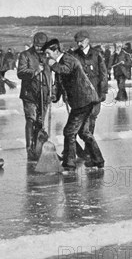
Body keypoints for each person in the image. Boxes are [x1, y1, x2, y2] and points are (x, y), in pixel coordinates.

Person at [45, 38, 104, 170]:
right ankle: (98, 160)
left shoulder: (68, 59)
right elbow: (60, 83)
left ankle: (69, 163)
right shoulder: (60, 62)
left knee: (69, 131)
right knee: (84, 132)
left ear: (56, 51)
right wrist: (54, 96)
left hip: (84, 99)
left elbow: (65, 70)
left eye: (48, 53)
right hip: (81, 101)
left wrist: (52, 65)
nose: (47, 56)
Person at [72, 30, 108, 156]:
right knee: (78, 123)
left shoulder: (97, 55)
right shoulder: (74, 55)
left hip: (95, 94)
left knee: (91, 120)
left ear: (87, 40)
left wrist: (103, 91)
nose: (79, 44)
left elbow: (104, 74)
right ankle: (75, 150)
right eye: (77, 42)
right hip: (79, 94)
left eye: (81, 41)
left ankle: (89, 150)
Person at [17, 32, 51, 160]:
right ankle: (29, 148)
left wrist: (53, 90)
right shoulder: (25, 55)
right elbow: (20, 72)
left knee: (40, 122)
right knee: (31, 120)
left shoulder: (48, 56)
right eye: (36, 45)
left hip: (45, 94)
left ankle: (39, 147)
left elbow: (53, 75)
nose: (39, 48)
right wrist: (35, 71)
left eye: (41, 46)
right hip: (29, 94)